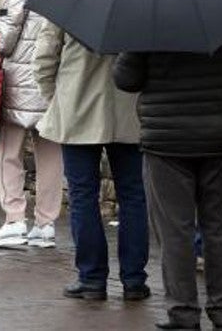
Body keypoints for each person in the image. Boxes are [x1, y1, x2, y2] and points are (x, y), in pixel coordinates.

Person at [114, 28, 222, 331]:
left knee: (174, 233)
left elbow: (126, 80)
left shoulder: (147, 21)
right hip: (219, 138)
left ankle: (183, 314)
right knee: (221, 231)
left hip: (165, 143)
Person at [36, 23, 148, 302]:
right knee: (134, 195)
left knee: (82, 195)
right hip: (129, 109)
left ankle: (92, 278)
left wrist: (57, 98)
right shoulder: (140, 1)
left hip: (77, 107)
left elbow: (45, 57)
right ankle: (134, 280)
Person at [0, 0, 62, 248]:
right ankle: (45, 224)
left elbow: (3, 41)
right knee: (51, 157)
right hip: (50, 84)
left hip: (18, 86)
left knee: (8, 154)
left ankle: (14, 219)